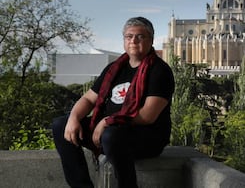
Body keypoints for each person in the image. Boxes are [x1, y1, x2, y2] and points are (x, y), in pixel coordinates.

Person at [52, 17, 175, 188]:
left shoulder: (160, 71)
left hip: (146, 137)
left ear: (151, 40)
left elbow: (147, 116)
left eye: (140, 36)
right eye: (129, 36)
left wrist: (108, 121)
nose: (133, 41)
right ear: (124, 40)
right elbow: (88, 99)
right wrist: (73, 118)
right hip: (109, 133)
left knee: (111, 135)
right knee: (60, 125)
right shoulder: (114, 68)